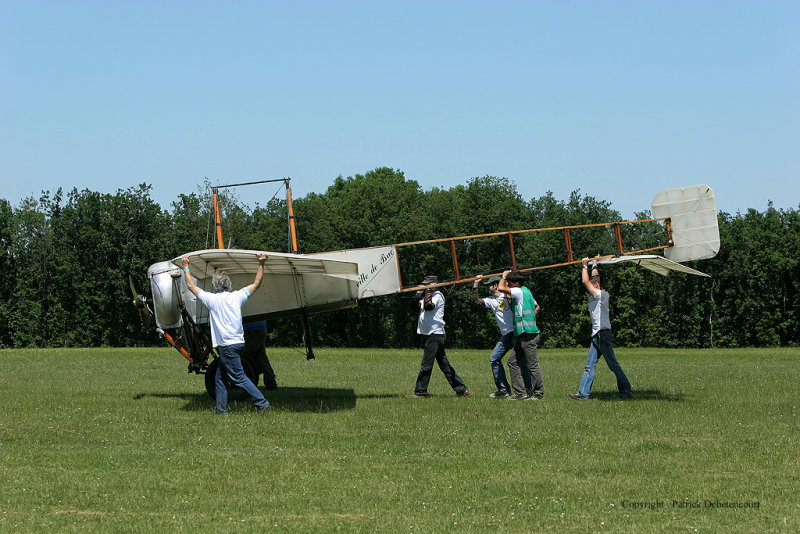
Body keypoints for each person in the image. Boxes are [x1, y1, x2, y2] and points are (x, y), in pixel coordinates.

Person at [182, 253, 271, 414]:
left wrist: (186, 267)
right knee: (220, 377)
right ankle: (220, 409)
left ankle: (262, 403)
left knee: (239, 377)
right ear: (228, 284)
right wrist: (261, 264)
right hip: (237, 343)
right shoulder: (237, 296)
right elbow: (257, 284)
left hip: (227, 346)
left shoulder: (212, 300)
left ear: (215, 285)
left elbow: (190, 286)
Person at [569, 257, 633, 401]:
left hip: (603, 335)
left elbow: (586, 281)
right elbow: (594, 277)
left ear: (597, 285)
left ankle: (626, 392)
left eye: (595, 283)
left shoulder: (601, 295)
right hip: (596, 336)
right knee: (589, 366)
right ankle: (583, 394)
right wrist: (595, 263)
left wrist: (584, 265)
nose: (593, 283)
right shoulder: (594, 295)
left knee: (613, 366)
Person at [407, 275, 470, 398]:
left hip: (435, 334)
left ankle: (420, 392)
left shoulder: (438, 296)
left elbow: (429, 306)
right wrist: (417, 294)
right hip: (430, 334)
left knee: (426, 365)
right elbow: (415, 308)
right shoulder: (427, 295)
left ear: (434, 284)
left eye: (427, 285)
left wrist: (428, 292)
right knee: (444, 365)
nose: (425, 286)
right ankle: (461, 389)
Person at [498, 270, 544, 400]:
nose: (509, 285)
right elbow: (537, 307)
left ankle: (539, 393)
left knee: (532, 365)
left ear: (515, 283)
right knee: (512, 362)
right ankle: (520, 393)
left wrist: (503, 276)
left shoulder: (518, 291)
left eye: (509, 283)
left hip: (528, 335)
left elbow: (501, 288)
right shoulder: (527, 292)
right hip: (523, 334)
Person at [472, 275, 517, 398]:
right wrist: (476, 284)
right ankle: (503, 390)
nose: (487, 287)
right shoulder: (491, 300)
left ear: (496, 285)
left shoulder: (508, 296)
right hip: (506, 335)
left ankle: (527, 390)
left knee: (519, 362)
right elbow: (475, 302)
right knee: (494, 358)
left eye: (489, 285)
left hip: (516, 332)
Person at [242, 320, 278, 390]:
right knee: (261, 358)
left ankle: (241, 382)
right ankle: (271, 382)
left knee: (243, 357)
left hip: (251, 329)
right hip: (260, 328)